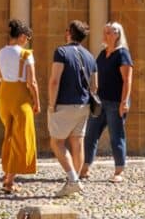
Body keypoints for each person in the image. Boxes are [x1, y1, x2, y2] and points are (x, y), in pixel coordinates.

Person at [47, 19, 98, 198]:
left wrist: (52, 105)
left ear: (68, 32)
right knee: (77, 142)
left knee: (56, 142)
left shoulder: (61, 52)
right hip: (83, 105)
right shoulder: (90, 56)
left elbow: (54, 81)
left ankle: (73, 179)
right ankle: (74, 182)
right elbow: (95, 86)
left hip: (64, 104)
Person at [0, 18, 40, 194]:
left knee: (9, 136)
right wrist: (37, 102)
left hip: (4, 96)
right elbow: (31, 81)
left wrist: (2, 94)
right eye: (26, 37)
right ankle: (10, 180)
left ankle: (7, 176)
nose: (27, 41)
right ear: (20, 37)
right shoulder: (26, 54)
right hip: (21, 98)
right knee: (22, 139)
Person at [81, 21, 134, 183]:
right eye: (105, 32)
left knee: (116, 136)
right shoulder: (103, 53)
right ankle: (85, 168)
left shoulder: (123, 54)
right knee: (90, 135)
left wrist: (124, 102)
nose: (105, 35)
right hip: (100, 101)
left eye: (109, 32)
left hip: (115, 102)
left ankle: (119, 170)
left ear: (117, 34)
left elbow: (127, 80)